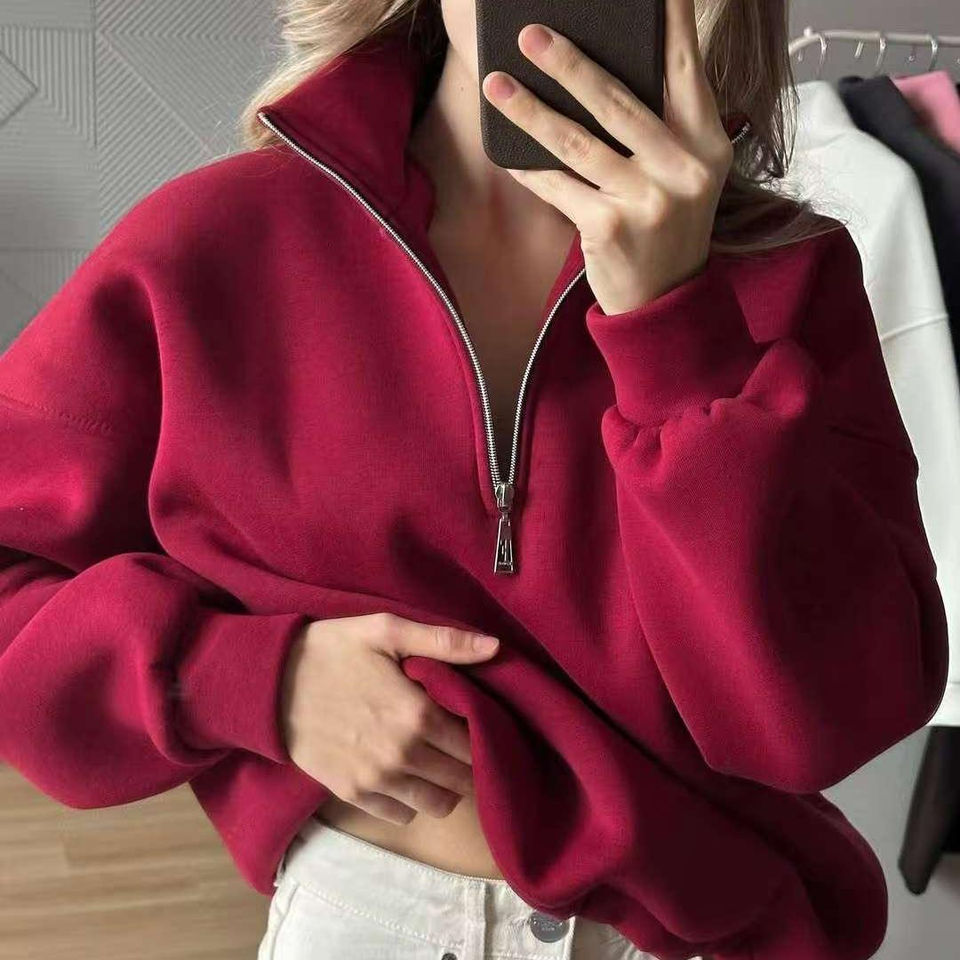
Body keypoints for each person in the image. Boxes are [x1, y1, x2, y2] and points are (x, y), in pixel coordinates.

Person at [0, 0, 947, 958]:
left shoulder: (789, 278)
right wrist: (251, 678)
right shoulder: (213, 241)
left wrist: (675, 331)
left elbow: (825, 724)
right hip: (374, 924)